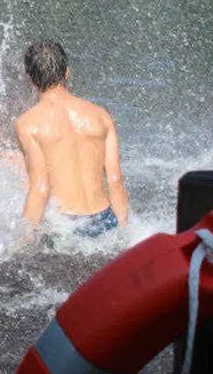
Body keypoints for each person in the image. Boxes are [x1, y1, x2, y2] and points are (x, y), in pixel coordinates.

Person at [16, 40, 129, 236]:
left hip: (65, 226)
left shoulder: (28, 124)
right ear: (67, 72)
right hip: (104, 218)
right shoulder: (101, 115)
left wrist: (21, 239)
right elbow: (115, 180)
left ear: (31, 80)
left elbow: (40, 188)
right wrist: (125, 231)